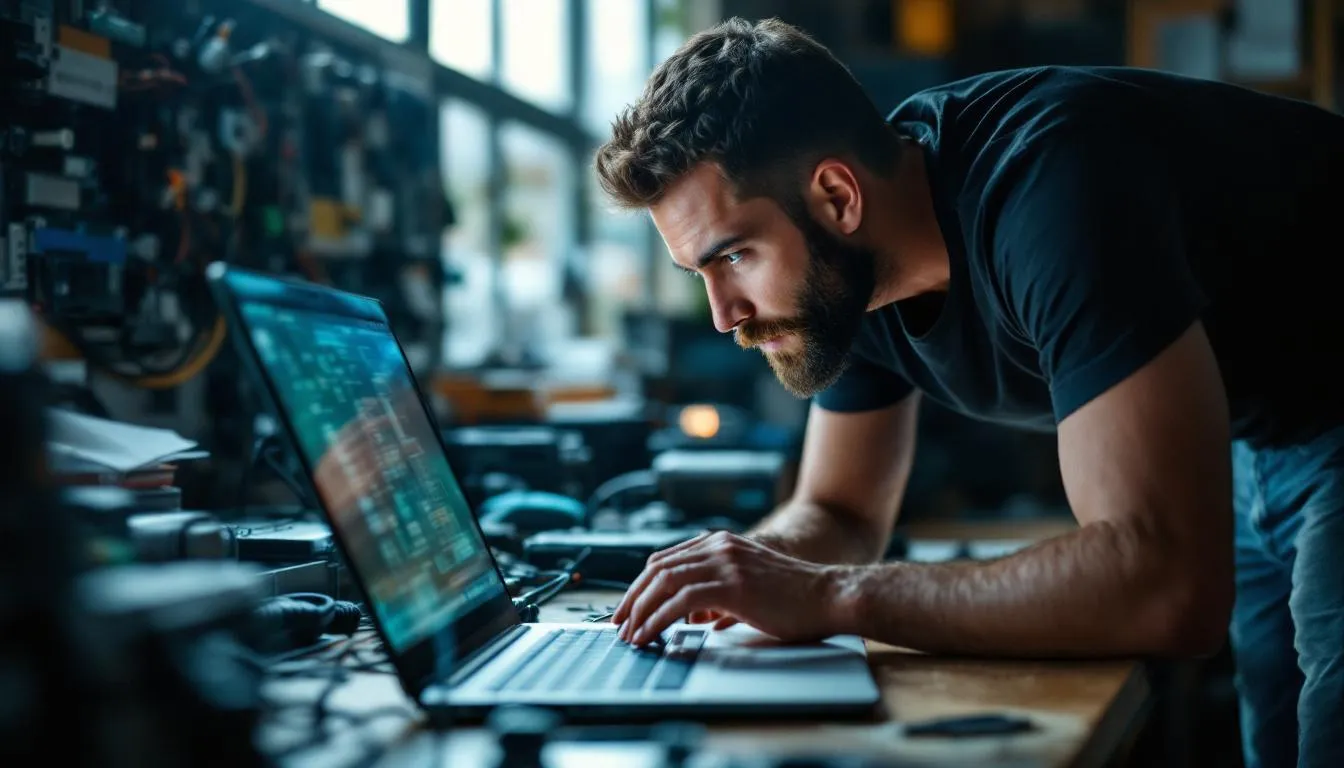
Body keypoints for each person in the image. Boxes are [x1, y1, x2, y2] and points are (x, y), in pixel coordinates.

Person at [593, 17, 1344, 768]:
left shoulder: (1054, 187)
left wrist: (837, 596)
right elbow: (839, 511)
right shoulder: (845, 275)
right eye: (703, 275)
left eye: (736, 257)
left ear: (835, 196)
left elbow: (1163, 584)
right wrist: (745, 576)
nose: (725, 315)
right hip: (1260, 425)